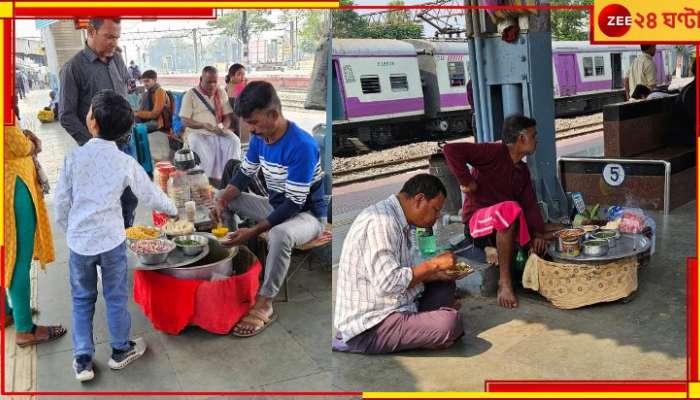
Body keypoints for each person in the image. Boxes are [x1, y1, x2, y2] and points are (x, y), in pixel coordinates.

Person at [54, 90, 177, 382]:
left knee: (82, 299)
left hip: (81, 244)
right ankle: (121, 351)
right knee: (116, 296)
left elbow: (61, 202)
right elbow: (150, 194)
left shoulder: (74, 158)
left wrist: (70, 232)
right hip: (111, 241)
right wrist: (173, 209)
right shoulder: (124, 162)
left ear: (91, 121)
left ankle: (82, 359)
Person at [211, 81, 327, 337]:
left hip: (307, 217)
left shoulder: (302, 146)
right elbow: (243, 175)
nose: (250, 129)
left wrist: (252, 232)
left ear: (273, 115)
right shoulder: (260, 138)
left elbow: (294, 204)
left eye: (253, 122)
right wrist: (220, 201)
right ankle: (235, 262)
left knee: (279, 234)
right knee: (222, 195)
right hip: (276, 207)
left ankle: (265, 302)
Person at [333, 174, 467, 354]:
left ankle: (425, 330)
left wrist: (435, 274)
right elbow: (389, 283)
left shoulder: (399, 218)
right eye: (435, 210)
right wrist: (433, 265)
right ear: (419, 200)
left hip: (398, 305)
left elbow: (403, 272)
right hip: (372, 326)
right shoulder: (382, 222)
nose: (436, 218)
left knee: (445, 282)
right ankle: (430, 331)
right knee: (450, 323)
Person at [442, 115, 559, 309]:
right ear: (522, 138)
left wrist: (537, 234)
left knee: (556, 229)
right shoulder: (494, 151)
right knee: (511, 208)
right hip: (477, 223)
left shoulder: (522, 170)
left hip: (503, 223)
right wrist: (466, 182)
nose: (536, 139)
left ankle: (499, 249)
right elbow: (450, 150)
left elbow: (530, 206)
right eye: (533, 135)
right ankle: (504, 283)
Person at [58, 18, 139, 228]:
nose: (114, 42)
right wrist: (93, 145)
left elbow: (124, 94)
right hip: (98, 153)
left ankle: (125, 238)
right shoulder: (73, 68)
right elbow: (66, 115)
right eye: (109, 36)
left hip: (125, 145)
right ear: (91, 32)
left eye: (117, 37)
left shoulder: (118, 59)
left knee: (130, 198)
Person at [4, 114, 67, 347]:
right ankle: (25, 328)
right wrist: (32, 143)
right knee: (19, 258)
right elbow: (18, 145)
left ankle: (7, 311)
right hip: (11, 187)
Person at [179, 66, 241, 186]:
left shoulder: (221, 92)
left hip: (217, 131)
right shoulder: (190, 94)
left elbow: (227, 116)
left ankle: (230, 177)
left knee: (234, 141)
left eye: (215, 82)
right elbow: (184, 120)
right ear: (201, 79)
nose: (212, 85)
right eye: (209, 82)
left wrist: (224, 128)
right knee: (197, 142)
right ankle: (204, 180)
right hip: (198, 133)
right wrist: (202, 125)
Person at [225, 63, 247, 137]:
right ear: (231, 76)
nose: (242, 77)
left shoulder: (240, 86)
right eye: (239, 74)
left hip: (235, 116)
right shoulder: (229, 87)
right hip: (229, 116)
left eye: (244, 74)